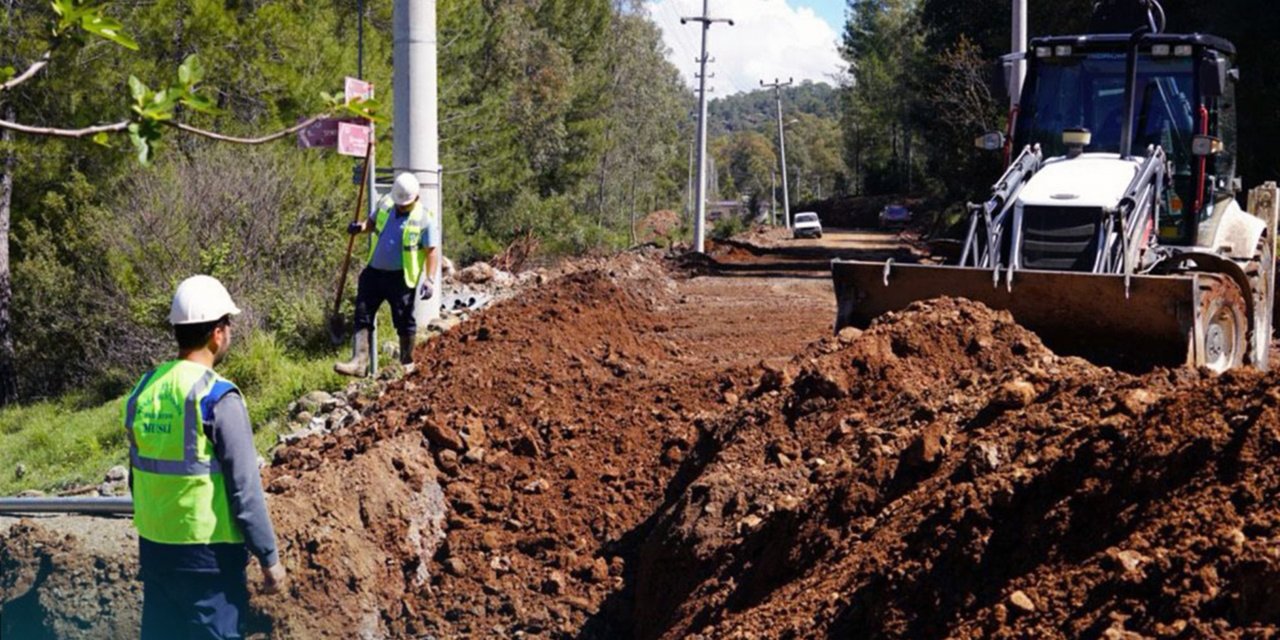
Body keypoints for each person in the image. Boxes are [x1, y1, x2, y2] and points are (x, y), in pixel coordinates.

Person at [125, 275, 287, 639]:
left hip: (154, 549)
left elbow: (137, 475)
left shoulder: (144, 389)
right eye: (227, 324)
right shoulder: (217, 396)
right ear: (218, 333)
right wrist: (268, 557)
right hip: (208, 559)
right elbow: (245, 489)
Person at [335, 171, 438, 376]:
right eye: (400, 202)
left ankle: (407, 362)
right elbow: (371, 224)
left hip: (401, 278)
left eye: (405, 203)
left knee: (403, 320)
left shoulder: (424, 219)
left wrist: (430, 279)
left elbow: (431, 251)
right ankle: (359, 362)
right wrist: (360, 227)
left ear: (416, 198)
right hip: (374, 272)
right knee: (362, 314)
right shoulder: (386, 204)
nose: (401, 206)